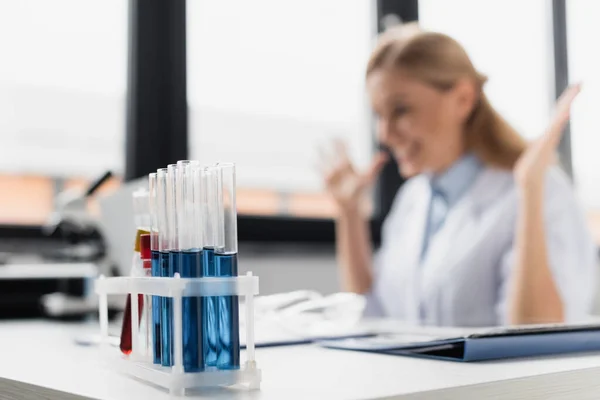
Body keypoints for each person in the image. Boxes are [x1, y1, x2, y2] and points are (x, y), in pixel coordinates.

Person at [320, 24, 597, 327]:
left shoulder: (542, 191)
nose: (384, 134)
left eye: (400, 110)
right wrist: (349, 215)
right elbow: (375, 318)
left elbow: (539, 335)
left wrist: (530, 192)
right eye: (378, 115)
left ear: (463, 99)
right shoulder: (413, 199)